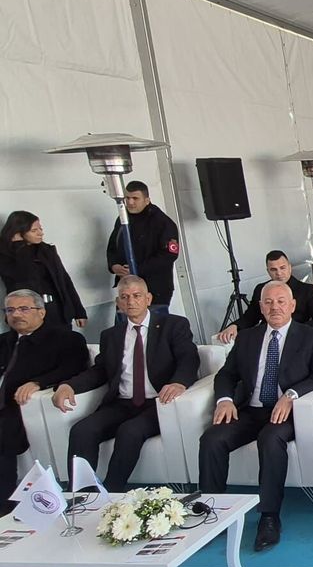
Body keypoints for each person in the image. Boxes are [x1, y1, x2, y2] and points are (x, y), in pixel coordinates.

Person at [198, 281, 313, 551]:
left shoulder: (310, 337)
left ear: (292, 305)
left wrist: (291, 395)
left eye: (281, 302)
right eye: (268, 302)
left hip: (286, 412)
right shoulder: (248, 337)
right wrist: (224, 400)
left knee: (270, 440)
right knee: (212, 439)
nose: (275, 307)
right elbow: (226, 374)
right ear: (260, 307)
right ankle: (213, 510)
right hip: (251, 409)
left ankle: (269, 516)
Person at [56, 277, 199, 491]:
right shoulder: (111, 335)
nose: (131, 301)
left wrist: (179, 382)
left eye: (136, 296)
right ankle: (81, 494)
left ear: (148, 298)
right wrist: (69, 386)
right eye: (124, 297)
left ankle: (111, 491)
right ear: (118, 303)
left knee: (129, 431)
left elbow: (189, 358)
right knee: (82, 430)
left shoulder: (173, 325)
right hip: (121, 403)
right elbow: (100, 371)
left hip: (158, 403)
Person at [0, 290, 89, 515]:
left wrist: (39, 383)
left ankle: (4, 506)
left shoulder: (65, 339)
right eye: (10, 310)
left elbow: (74, 367)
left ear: (41, 312)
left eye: (23, 309)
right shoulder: (4, 341)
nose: (16, 314)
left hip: (17, 407)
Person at [216, 251, 313, 343]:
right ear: (268, 271)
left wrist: (295, 330)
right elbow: (251, 317)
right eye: (273, 270)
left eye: (282, 268)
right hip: (265, 337)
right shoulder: (261, 289)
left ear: (290, 267)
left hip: (294, 337)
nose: (279, 273)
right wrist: (235, 326)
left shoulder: (306, 290)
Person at [0, 211, 86, 328]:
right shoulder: (6, 255)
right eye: (34, 230)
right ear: (18, 233)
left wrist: (79, 311)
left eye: (40, 228)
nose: (41, 233)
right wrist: (19, 246)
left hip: (58, 312)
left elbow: (64, 280)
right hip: (28, 316)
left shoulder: (46, 250)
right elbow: (24, 278)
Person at [106, 181, 179, 311]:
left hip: (155, 289)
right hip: (127, 289)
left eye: (135, 198)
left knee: (154, 323)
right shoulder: (123, 219)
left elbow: (169, 255)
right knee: (125, 323)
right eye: (127, 198)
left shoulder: (163, 223)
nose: (130, 202)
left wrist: (136, 269)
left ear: (147, 200)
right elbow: (112, 246)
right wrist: (113, 265)